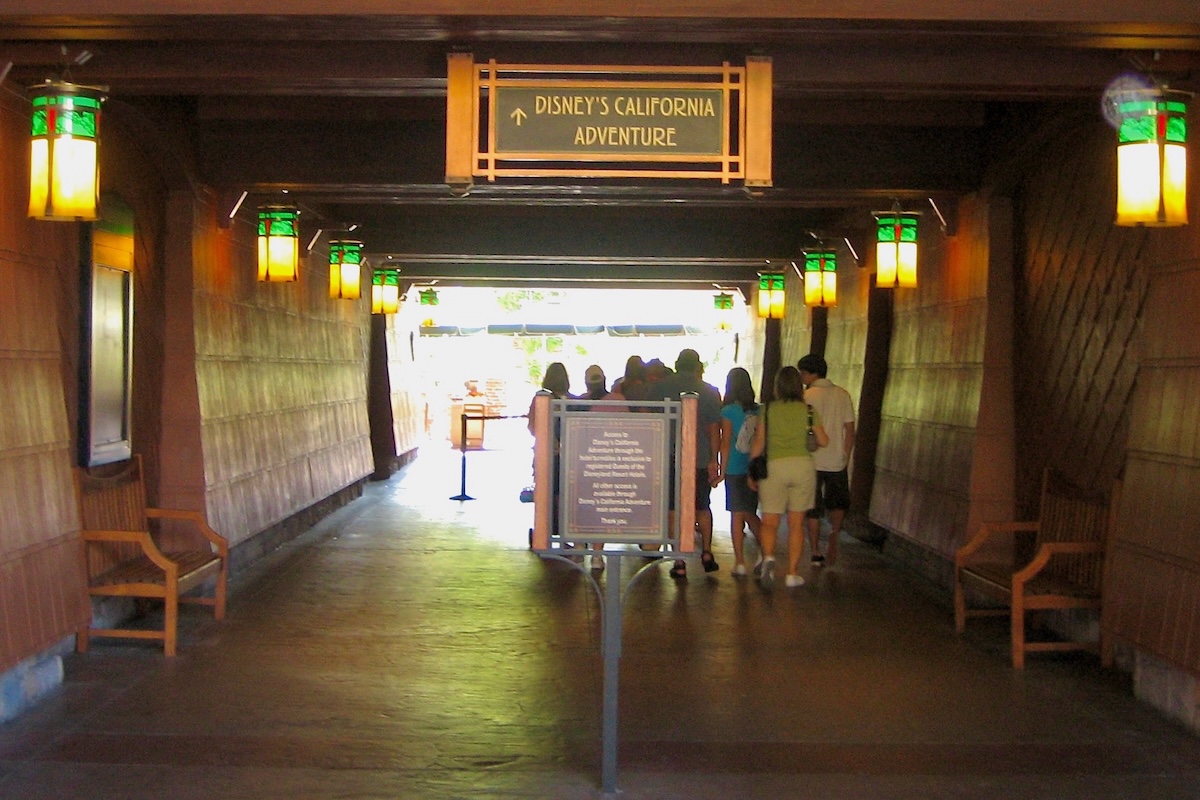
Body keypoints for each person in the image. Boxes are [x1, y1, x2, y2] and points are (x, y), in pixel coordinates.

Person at [747, 366, 829, 588]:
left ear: (777, 387)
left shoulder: (767, 410)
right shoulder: (809, 411)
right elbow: (823, 441)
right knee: (796, 524)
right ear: (799, 385)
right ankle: (792, 573)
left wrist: (752, 471)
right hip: (802, 468)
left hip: (774, 467)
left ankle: (769, 557)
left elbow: (758, 443)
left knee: (770, 521)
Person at [655, 348, 722, 578]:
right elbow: (714, 429)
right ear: (697, 366)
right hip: (700, 457)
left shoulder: (660, 387)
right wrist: (714, 459)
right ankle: (706, 551)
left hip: (668, 456)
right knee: (702, 506)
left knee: (674, 509)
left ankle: (679, 559)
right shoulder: (710, 391)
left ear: (676, 364)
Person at [797, 354, 857, 567]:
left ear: (812, 373)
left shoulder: (806, 396)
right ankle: (834, 533)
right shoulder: (842, 394)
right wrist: (846, 455)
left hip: (811, 460)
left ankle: (814, 551)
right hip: (836, 459)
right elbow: (850, 429)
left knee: (812, 508)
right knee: (838, 502)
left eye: (803, 372)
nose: (802, 377)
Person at [719, 367, 762, 576]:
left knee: (736, 515)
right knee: (750, 512)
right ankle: (766, 552)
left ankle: (740, 562)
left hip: (735, 468)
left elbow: (725, 443)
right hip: (754, 467)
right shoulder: (758, 410)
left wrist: (721, 470)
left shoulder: (728, 411)